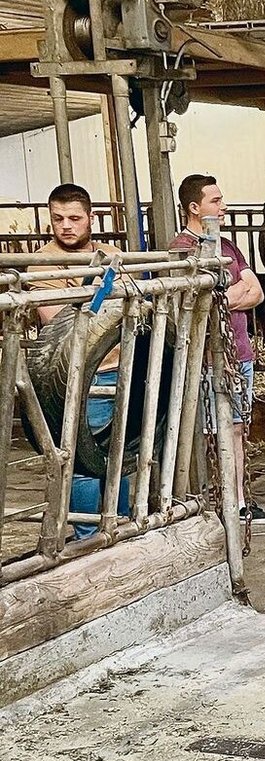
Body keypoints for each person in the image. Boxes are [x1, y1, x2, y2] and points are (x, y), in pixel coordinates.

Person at [172, 174, 265, 524]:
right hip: (208, 357)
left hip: (239, 352)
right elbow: (193, 303)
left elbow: (256, 291)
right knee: (214, 430)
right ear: (194, 207)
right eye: (216, 201)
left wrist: (219, 298)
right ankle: (220, 501)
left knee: (236, 427)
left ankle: (240, 500)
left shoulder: (228, 246)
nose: (224, 205)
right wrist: (227, 298)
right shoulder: (182, 250)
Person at [29, 184, 127, 540]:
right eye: (58, 218)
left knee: (121, 453)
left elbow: (134, 309)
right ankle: (88, 536)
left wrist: (91, 310)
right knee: (83, 461)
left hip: (122, 369)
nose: (66, 226)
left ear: (90, 218)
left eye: (74, 218)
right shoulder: (43, 262)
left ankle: (123, 525)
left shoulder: (112, 253)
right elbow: (58, 323)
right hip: (77, 377)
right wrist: (105, 312)